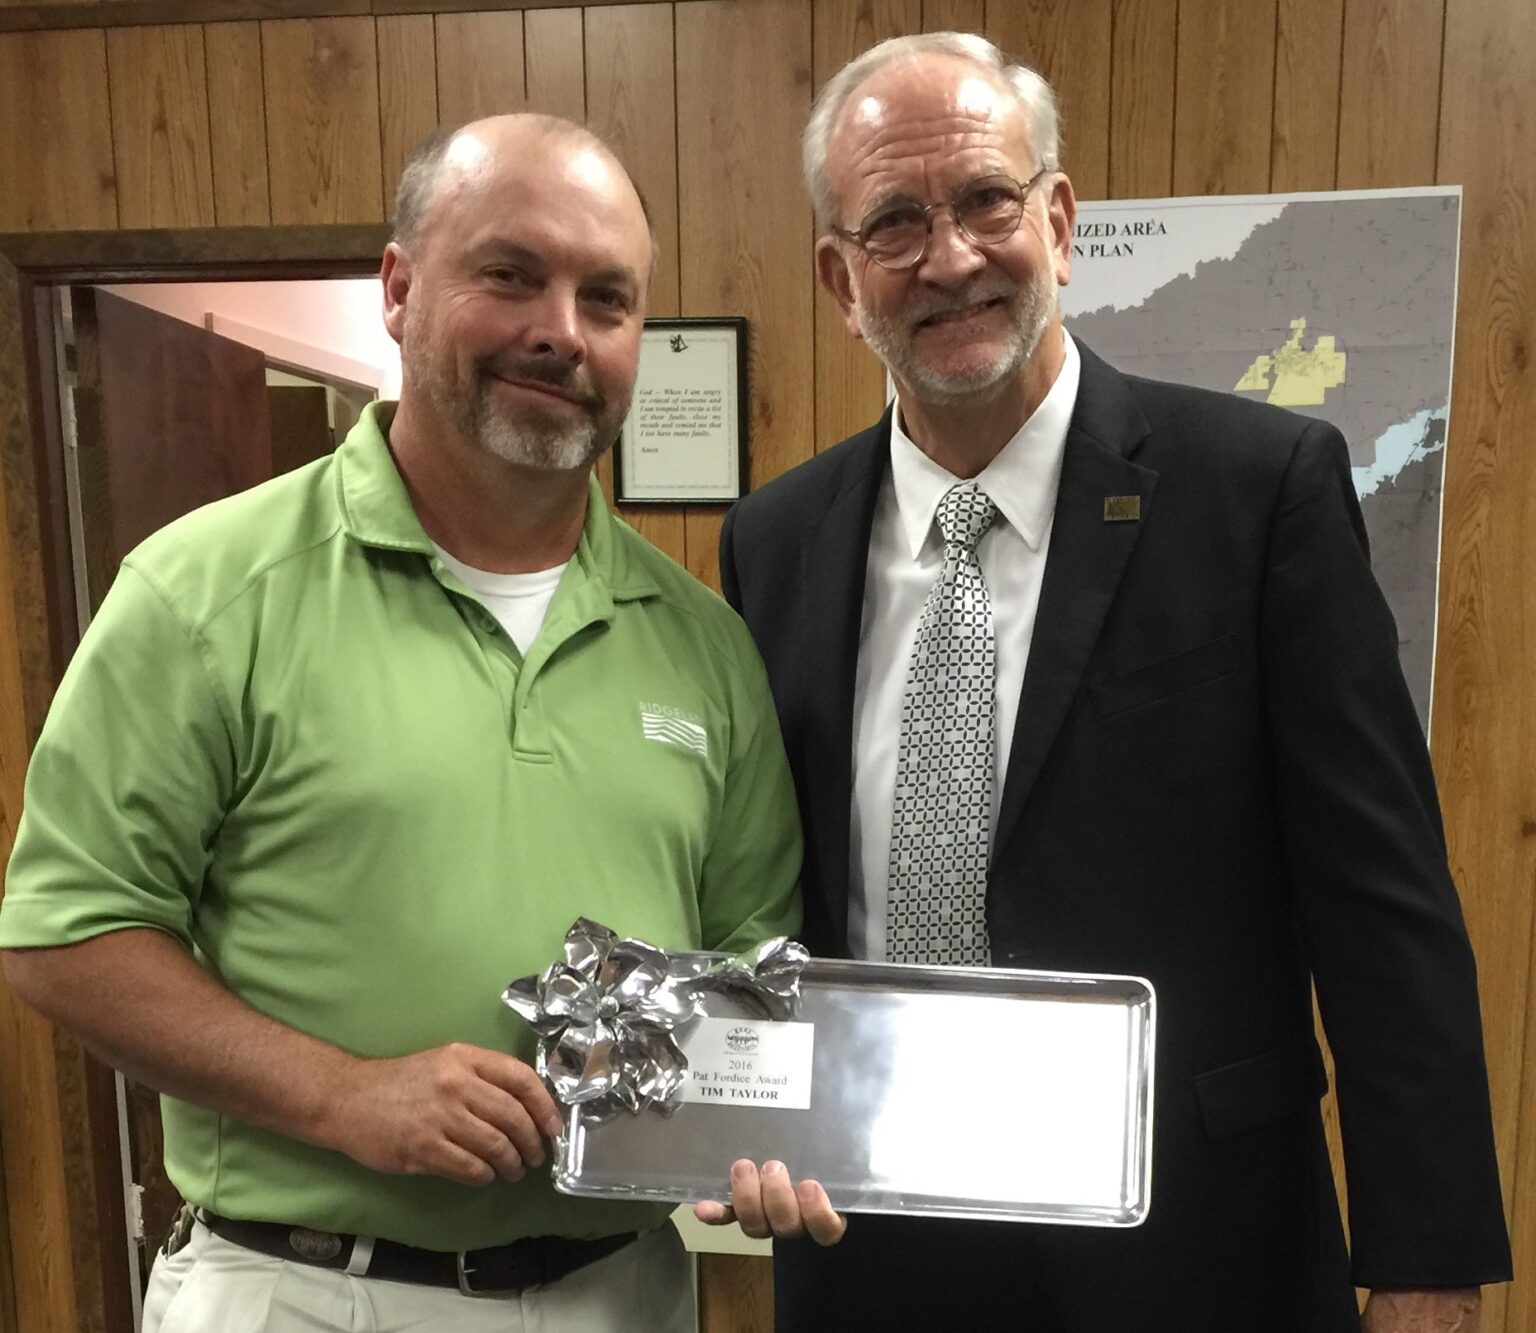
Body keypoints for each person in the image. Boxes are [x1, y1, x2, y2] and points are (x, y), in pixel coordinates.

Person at [703, 32, 1512, 1333]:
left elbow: (1384, 904)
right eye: (895, 222)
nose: (950, 257)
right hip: (873, 1251)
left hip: (1193, 1249)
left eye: (987, 200)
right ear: (840, 279)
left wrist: (1425, 1263)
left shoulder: (1259, 494)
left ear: (1060, 222)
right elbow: (766, 895)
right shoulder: (776, 540)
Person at [0, 113, 802, 1333]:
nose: (560, 330)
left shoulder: (701, 640)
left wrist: (766, 1133)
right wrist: (344, 1095)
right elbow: (65, 936)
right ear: (398, 288)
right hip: (312, 1288)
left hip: (625, 1289)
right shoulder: (205, 593)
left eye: (607, 298)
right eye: (510, 275)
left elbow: (750, 960)